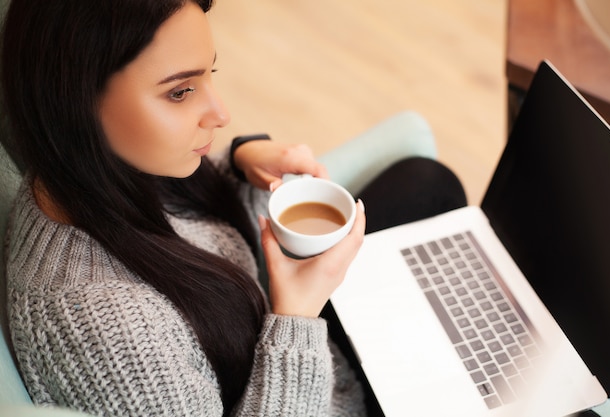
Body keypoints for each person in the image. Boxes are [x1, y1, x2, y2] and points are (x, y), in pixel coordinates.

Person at [0, 0, 466, 416]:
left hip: (291, 340)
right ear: (75, 102)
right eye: (180, 91)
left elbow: (183, 218)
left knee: (426, 183)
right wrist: (299, 315)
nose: (221, 114)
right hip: (303, 379)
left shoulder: (80, 171)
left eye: (209, 75)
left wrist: (239, 162)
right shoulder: (109, 332)